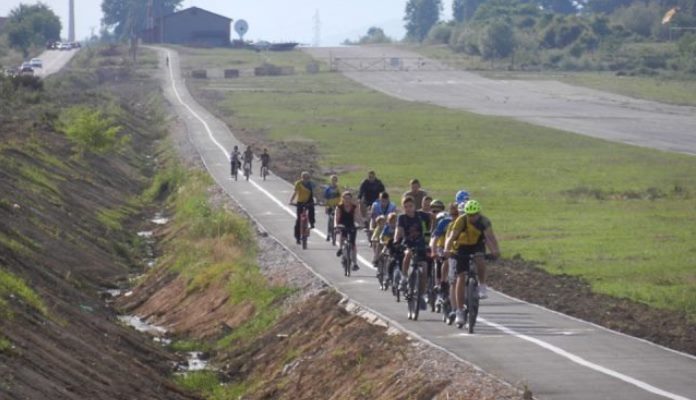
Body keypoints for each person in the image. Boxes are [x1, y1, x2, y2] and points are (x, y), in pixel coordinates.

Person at [444, 200, 500, 327]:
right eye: (469, 214)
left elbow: (490, 237)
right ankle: (459, 310)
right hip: (461, 247)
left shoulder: (484, 221)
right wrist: (447, 250)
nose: (472, 217)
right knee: (461, 277)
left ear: (478, 213)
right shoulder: (461, 220)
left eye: (474, 214)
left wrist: (495, 251)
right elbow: (452, 236)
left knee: (480, 258)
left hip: (476, 245)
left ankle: (482, 285)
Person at [394, 196, 431, 309]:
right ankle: (404, 277)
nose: (408, 209)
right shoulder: (402, 218)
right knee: (408, 253)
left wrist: (430, 237)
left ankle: (422, 294)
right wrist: (396, 240)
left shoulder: (422, 216)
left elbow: (431, 223)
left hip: (420, 244)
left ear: (415, 206)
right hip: (408, 243)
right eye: (405, 207)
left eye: (410, 206)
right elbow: (399, 230)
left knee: (424, 268)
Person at [335, 191, 362, 271]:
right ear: (342, 199)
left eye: (349, 198)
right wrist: (336, 226)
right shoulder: (339, 207)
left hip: (351, 225)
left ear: (351, 199)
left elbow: (357, 217)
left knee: (353, 244)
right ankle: (340, 248)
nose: (347, 200)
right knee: (343, 235)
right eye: (345, 198)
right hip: (342, 224)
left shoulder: (354, 207)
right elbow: (336, 218)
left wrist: (361, 224)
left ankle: (355, 263)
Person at [289, 171, 316, 244]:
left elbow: (314, 192)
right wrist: (291, 200)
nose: (306, 179)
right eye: (304, 178)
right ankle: (297, 237)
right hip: (300, 202)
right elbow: (295, 192)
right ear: (301, 178)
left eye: (307, 178)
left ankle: (312, 222)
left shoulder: (311, 184)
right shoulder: (298, 183)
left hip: (309, 201)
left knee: (312, 210)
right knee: (298, 220)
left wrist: (316, 201)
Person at [324, 175, 341, 241]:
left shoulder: (339, 188)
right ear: (331, 181)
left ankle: (338, 230)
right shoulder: (328, 189)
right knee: (330, 220)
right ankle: (328, 234)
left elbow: (342, 197)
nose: (334, 181)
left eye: (335, 180)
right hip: (330, 206)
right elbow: (326, 198)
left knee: (339, 218)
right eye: (333, 180)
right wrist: (326, 206)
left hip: (337, 206)